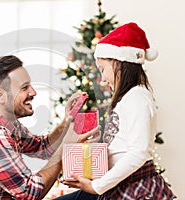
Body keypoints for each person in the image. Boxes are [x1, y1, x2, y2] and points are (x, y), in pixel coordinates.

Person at [0, 55, 100, 199]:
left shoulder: (8, 124)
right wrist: (66, 150)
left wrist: (66, 122)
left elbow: (43, 148)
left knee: (92, 194)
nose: (33, 92)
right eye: (24, 88)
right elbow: (30, 193)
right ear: (0, 96)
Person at [58, 22, 176, 199]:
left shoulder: (137, 97)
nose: (103, 78)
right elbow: (122, 147)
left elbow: (138, 152)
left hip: (136, 185)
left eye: (103, 69)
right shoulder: (127, 98)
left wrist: (97, 186)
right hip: (120, 184)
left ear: (118, 63)